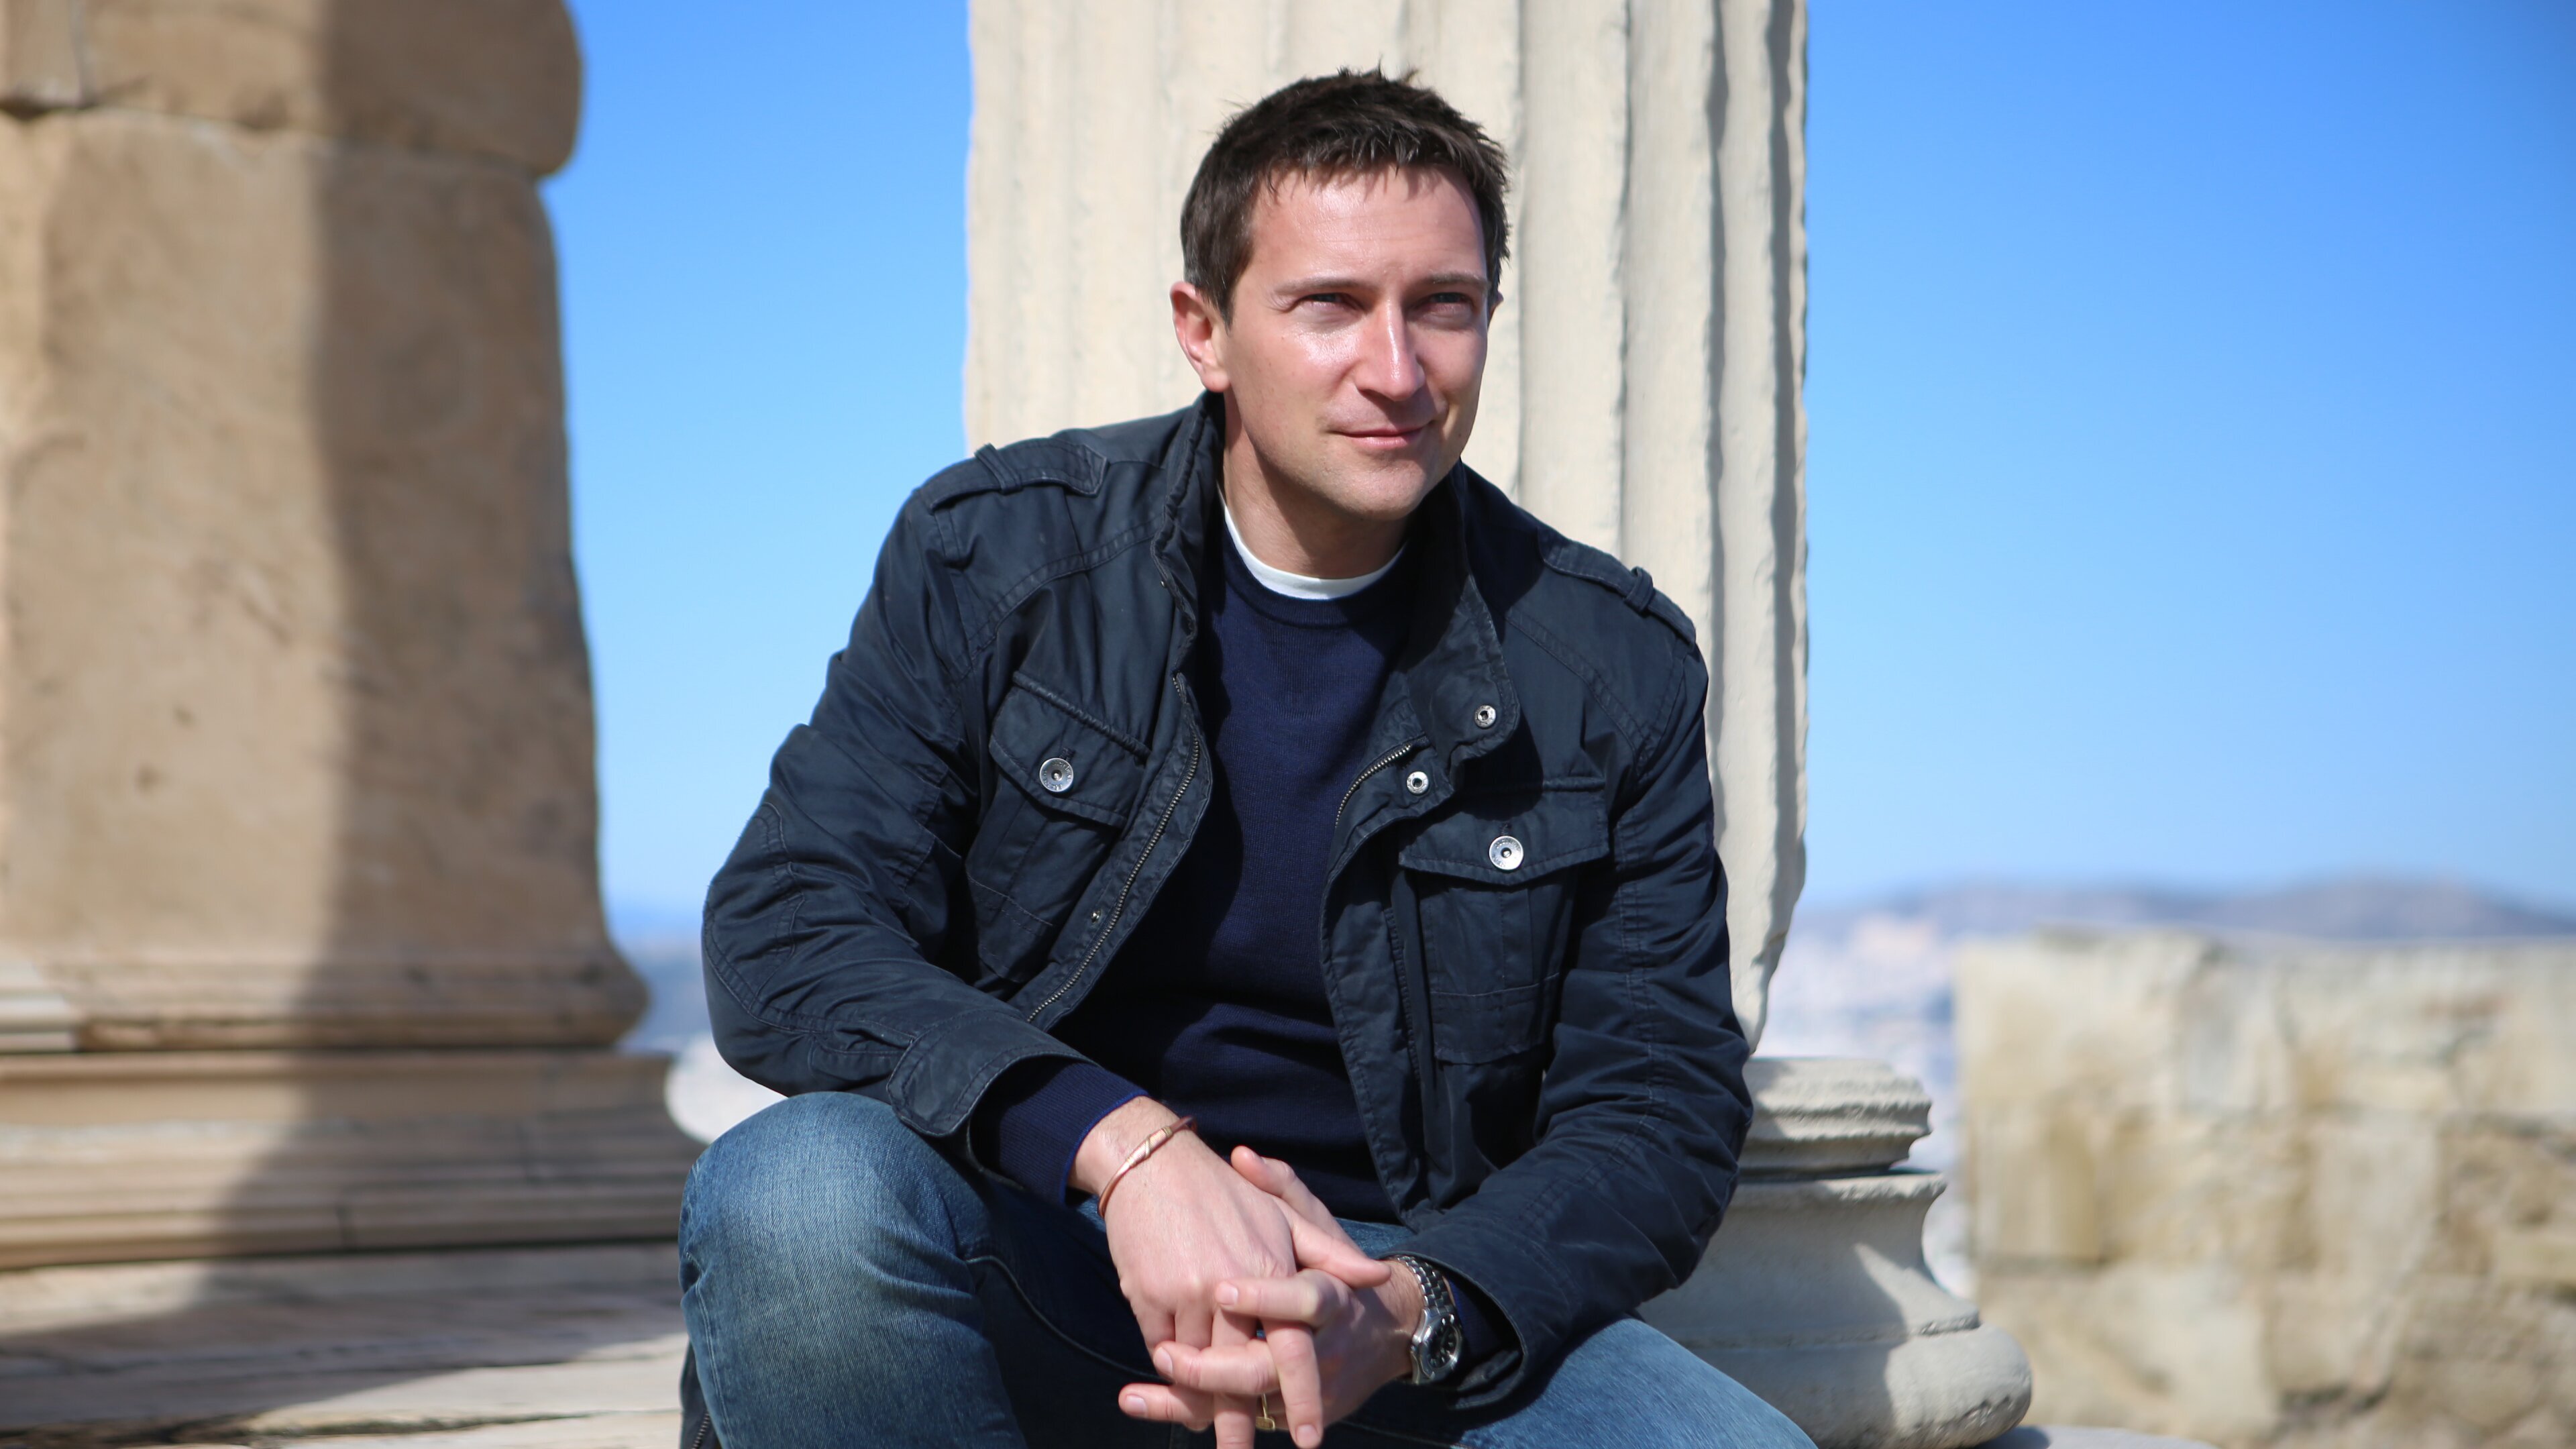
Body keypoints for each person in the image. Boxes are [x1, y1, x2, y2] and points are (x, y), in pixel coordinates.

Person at [678, 69, 1813, 1449]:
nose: (1396, 371)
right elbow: (788, 928)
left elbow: (1656, 1105)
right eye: (1329, 305)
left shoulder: (1610, 665)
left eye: (1444, 306)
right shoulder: (1000, 559)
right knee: (796, 1194)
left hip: (1389, 1298)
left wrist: (1408, 1313)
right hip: (1055, 1245)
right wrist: (1127, 1149)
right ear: (1204, 332)